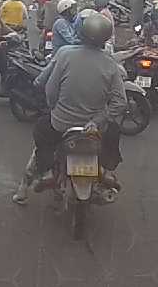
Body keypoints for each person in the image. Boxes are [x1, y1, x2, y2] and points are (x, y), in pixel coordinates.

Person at [13, 12, 126, 203]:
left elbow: (50, 89)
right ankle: (106, 172)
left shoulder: (65, 54)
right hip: (95, 128)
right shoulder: (110, 63)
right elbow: (120, 102)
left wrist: (54, 107)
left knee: (41, 133)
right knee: (113, 131)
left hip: (61, 123)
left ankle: (30, 183)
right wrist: (98, 120)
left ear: (81, 32)